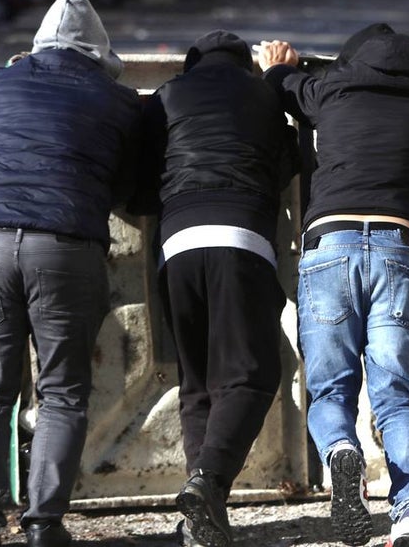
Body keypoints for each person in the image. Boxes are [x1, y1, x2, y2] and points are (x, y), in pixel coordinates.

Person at [0, 0, 142, 547]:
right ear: (97, 52)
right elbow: (129, 186)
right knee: (62, 391)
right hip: (65, 248)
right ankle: (42, 524)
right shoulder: (119, 101)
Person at [258, 24, 409, 547]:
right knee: (400, 400)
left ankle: (341, 451)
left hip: (330, 246)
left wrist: (279, 64)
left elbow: (282, 83)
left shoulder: (329, 91)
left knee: (331, 389)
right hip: (399, 246)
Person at [127, 31, 300, 547]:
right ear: (246, 64)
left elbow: (140, 179)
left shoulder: (168, 97)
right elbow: (291, 163)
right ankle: (208, 483)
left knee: (198, 381)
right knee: (250, 374)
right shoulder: (265, 95)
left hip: (177, 243)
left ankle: (201, 518)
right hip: (241, 238)